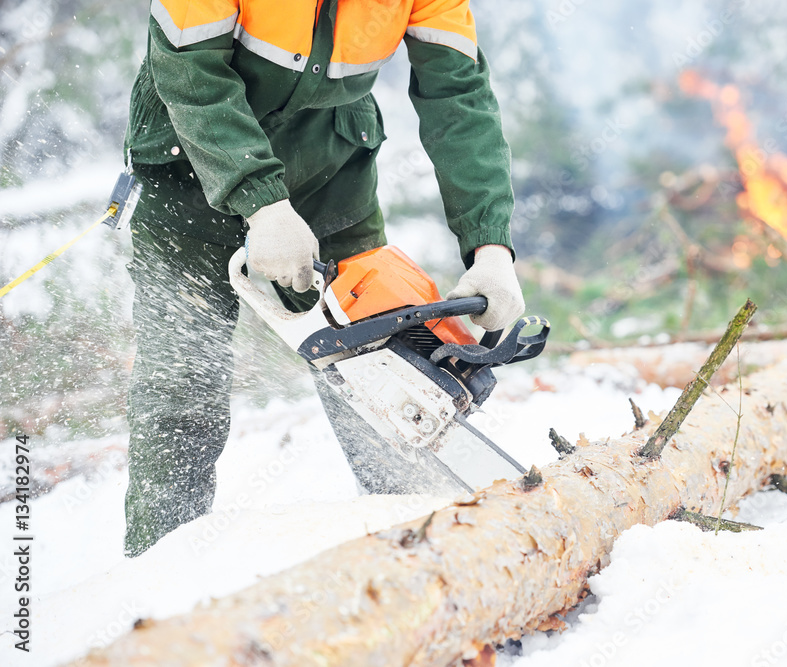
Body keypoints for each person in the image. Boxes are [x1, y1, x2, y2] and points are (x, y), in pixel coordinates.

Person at [122, 0, 524, 557]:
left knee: (383, 360)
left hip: (330, 179)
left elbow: (459, 99)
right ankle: (152, 576)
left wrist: (492, 246)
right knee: (180, 389)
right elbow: (191, 72)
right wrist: (260, 202)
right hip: (188, 171)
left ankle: (420, 543)